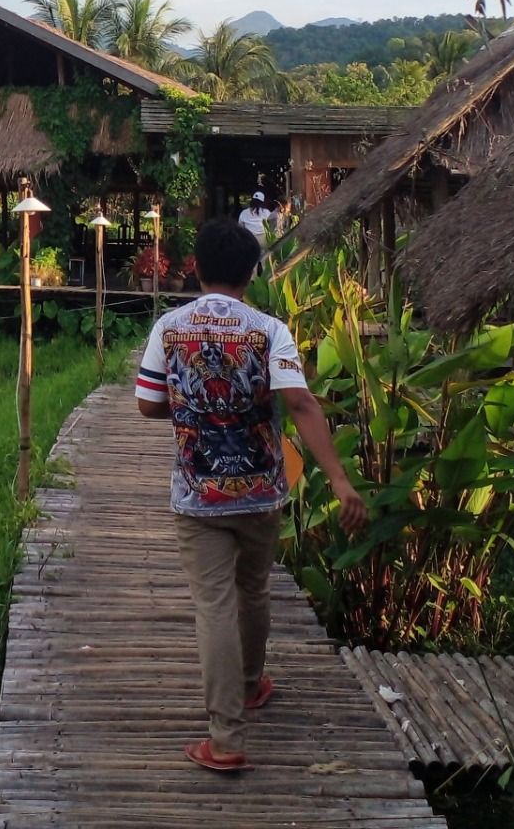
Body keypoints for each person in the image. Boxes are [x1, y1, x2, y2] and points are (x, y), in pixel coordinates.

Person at [135, 219, 368, 773]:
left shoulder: (169, 327)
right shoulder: (269, 330)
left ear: (195, 267)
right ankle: (249, 683)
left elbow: (146, 403)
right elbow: (302, 404)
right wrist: (337, 478)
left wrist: (196, 408)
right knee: (254, 589)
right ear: (251, 271)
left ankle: (226, 737)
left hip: (199, 493)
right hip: (262, 488)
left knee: (214, 606)